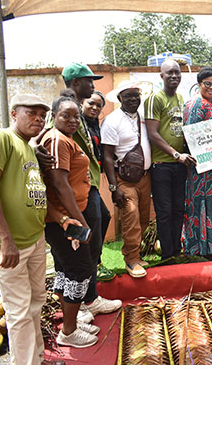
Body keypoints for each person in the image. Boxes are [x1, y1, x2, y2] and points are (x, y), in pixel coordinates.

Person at [0, 93, 52, 364]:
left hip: (34, 238)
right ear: (13, 114)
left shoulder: (28, 147)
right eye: (31, 112)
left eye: (42, 115)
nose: (38, 119)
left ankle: (36, 358)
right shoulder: (1, 138)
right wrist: (6, 238)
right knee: (19, 310)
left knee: (36, 301)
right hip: (10, 243)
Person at [60, 62, 121, 316]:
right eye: (89, 81)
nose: (93, 86)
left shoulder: (77, 111)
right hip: (77, 189)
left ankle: (87, 297)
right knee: (79, 246)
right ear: (76, 83)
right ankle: (84, 302)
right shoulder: (65, 110)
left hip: (90, 185)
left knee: (96, 231)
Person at [40, 96, 101, 347]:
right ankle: (68, 332)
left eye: (76, 116)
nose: (73, 120)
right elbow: (59, 183)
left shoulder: (63, 138)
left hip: (66, 217)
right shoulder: (57, 140)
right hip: (64, 220)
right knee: (80, 268)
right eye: (66, 115)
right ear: (54, 116)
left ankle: (72, 321)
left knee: (67, 270)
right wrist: (79, 221)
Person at [144, 59, 196, 261]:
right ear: (161, 76)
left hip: (180, 165)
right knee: (164, 212)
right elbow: (152, 134)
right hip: (162, 165)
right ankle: (167, 255)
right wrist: (176, 154)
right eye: (170, 73)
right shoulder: (155, 99)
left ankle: (176, 251)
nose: (174, 76)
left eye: (177, 72)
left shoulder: (181, 98)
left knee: (178, 210)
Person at [101, 81, 152, 277]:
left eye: (136, 95)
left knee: (143, 218)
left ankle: (137, 255)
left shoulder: (143, 117)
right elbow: (107, 156)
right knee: (131, 217)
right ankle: (131, 260)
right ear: (120, 98)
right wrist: (114, 187)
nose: (133, 99)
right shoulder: (112, 120)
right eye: (128, 95)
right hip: (124, 179)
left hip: (145, 177)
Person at [182, 66, 212, 259]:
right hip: (202, 168)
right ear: (199, 84)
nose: (211, 87)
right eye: (207, 84)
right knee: (202, 204)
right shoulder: (195, 105)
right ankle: (201, 248)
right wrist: (209, 154)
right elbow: (191, 137)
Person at [81, 90, 111, 268]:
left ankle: (95, 261)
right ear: (82, 103)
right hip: (82, 181)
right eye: (91, 103)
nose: (95, 108)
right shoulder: (78, 125)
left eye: (99, 105)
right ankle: (91, 263)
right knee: (96, 219)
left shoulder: (96, 126)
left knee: (104, 217)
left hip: (94, 180)